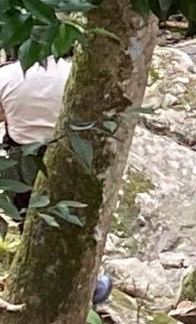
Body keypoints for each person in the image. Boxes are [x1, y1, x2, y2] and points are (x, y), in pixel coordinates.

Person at [0, 57, 112, 304]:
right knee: (75, 222)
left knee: (29, 222)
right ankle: (87, 284)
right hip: (67, 154)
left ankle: (32, 282)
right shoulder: (76, 72)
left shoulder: (6, 75)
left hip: (23, 159)